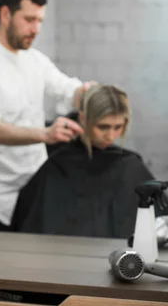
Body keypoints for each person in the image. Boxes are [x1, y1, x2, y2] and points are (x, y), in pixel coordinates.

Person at [0, 0, 96, 232]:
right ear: (5, 14)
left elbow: (66, 89)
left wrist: (88, 94)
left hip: (35, 185)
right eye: (30, 19)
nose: (36, 29)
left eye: (40, 21)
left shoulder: (34, 60)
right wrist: (45, 134)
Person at [11, 84, 157, 239]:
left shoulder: (130, 166)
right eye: (103, 127)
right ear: (83, 118)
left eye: (118, 127)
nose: (111, 135)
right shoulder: (59, 163)